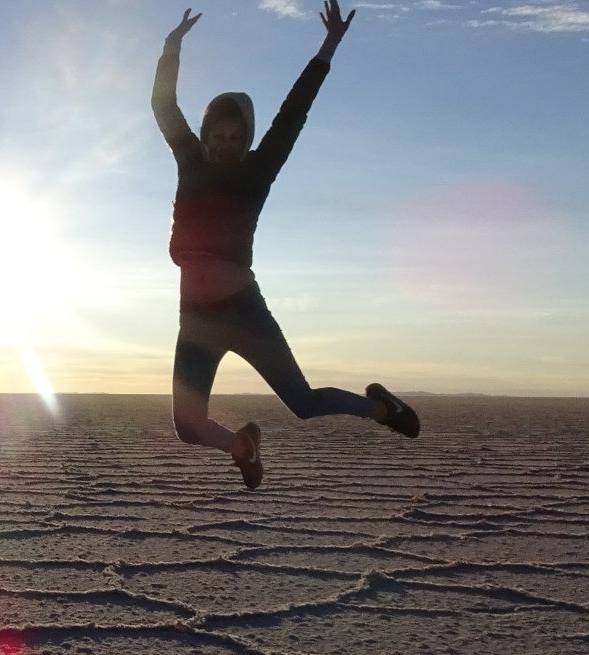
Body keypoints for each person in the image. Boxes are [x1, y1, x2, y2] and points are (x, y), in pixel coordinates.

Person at [153, 1, 418, 489]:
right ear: (206, 133)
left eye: (238, 136)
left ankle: (382, 408)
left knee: (304, 402)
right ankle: (243, 446)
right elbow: (164, 107)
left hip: (243, 313)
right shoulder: (190, 161)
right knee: (188, 427)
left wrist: (328, 47)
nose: (227, 143)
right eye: (219, 134)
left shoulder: (258, 171)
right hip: (196, 319)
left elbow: (293, 112)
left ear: (247, 139)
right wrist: (172, 47)